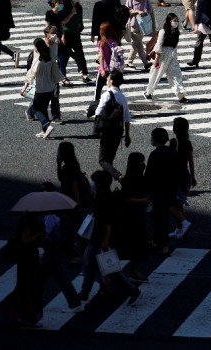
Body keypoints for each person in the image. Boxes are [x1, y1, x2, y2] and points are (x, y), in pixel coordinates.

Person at [78, 170, 141, 304]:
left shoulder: (105, 199)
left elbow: (107, 222)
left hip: (100, 239)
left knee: (109, 269)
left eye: (93, 181)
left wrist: (105, 241)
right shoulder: (102, 196)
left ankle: (132, 289)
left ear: (99, 184)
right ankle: (85, 292)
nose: (92, 183)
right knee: (92, 265)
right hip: (97, 237)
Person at [0, 213, 45, 327]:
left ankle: (22, 313)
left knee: (26, 287)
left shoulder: (28, 222)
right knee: (28, 287)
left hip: (29, 258)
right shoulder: (27, 224)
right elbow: (26, 239)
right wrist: (39, 233)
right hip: (28, 259)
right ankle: (27, 316)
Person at [144, 127, 180, 255]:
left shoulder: (155, 154)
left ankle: (160, 243)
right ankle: (161, 243)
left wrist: (146, 191)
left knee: (157, 218)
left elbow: (149, 174)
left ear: (155, 139)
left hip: (157, 191)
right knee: (163, 217)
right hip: (170, 190)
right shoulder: (172, 152)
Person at [20, 39, 64, 138]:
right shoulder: (49, 58)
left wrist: (24, 88)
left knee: (36, 109)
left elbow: (30, 75)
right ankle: (44, 131)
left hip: (41, 89)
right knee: (43, 108)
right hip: (50, 88)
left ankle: (47, 125)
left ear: (37, 48)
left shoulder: (38, 61)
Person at [117, 152, 150, 283]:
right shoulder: (131, 179)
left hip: (134, 214)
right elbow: (126, 199)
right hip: (130, 215)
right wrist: (144, 200)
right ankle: (131, 271)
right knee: (135, 242)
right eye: (141, 161)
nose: (143, 164)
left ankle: (132, 270)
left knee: (136, 243)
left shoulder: (130, 177)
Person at [95, 70, 131, 181]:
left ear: (112, 81)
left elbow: (98, 112)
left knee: (102, 160)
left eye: (108, 78)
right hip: (118, 131)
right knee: (109, 159)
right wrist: (127, 135)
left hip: (107, 130)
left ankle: (119, 176)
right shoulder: (122, 97)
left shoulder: (107, 94)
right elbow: (127, 117)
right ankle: (106, 185)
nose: (107, 79)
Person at [144, 13, 188, 103]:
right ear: (169, 21)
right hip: (162, 56)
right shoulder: (163, 31)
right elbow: (159, 45)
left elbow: (175, 46)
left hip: (172, 56)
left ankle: (181, 96)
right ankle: (149, 92)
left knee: (176, 75)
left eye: (177, 21)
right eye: (174, 21)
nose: (176, 22)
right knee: (156, 74)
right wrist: (156, 59)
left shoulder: (176, 32)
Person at [168, 117, 196, 239]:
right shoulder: (187, 142)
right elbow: (191, 161)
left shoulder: (174, 142)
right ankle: (180, 229)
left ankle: (184, 223)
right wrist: (193, 176)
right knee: (179, 204)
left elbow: (171, 159)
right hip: (185, 175)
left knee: (168, 203)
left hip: (176, 176)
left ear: (175, 129)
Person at [59, 0, 91, 83]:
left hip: (76, 33)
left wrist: (80, 26)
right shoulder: (65, 8)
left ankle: (85, 74)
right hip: (67, 34)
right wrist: (71, 14)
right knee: (64, 56)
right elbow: (62, 23)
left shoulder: (79, 7)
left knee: (80, 54)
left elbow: (80, 19)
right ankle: (62, 76)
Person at [125, 0, 156, 70]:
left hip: (143, 26)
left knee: (135, 44)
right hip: (134, 25)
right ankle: (145, 63)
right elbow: (127, 11)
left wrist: (153, 25)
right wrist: (137, 11)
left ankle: (129, 61)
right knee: (139, 45)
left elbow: (151, 11)